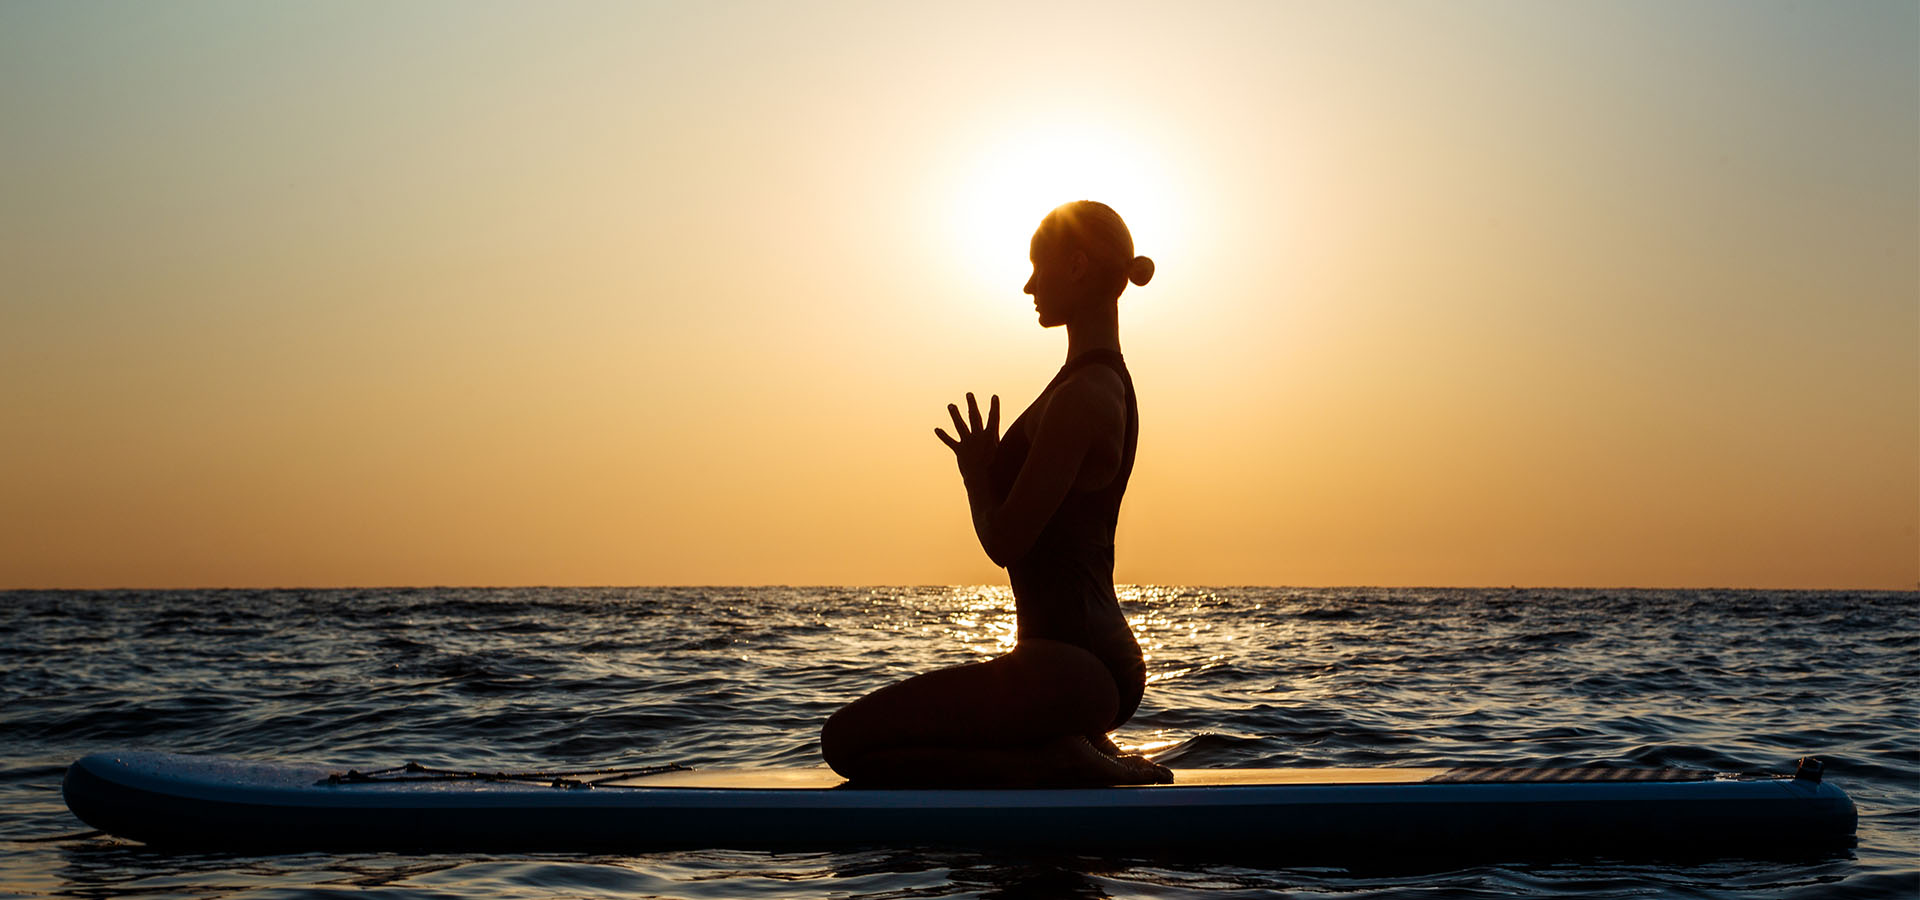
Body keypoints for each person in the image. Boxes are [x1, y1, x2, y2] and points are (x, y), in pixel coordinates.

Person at [820, 201, 1168, 787]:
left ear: (1078, 266)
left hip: (1074, 665)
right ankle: (1065, 748)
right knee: (866, 750)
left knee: (846, 743)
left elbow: (1007, 540)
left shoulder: (1085, 396)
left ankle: (1058, 760)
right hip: (1077, 663)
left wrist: (976, 477)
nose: (1029, 284)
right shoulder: (1092, 383)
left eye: (1040, 266)